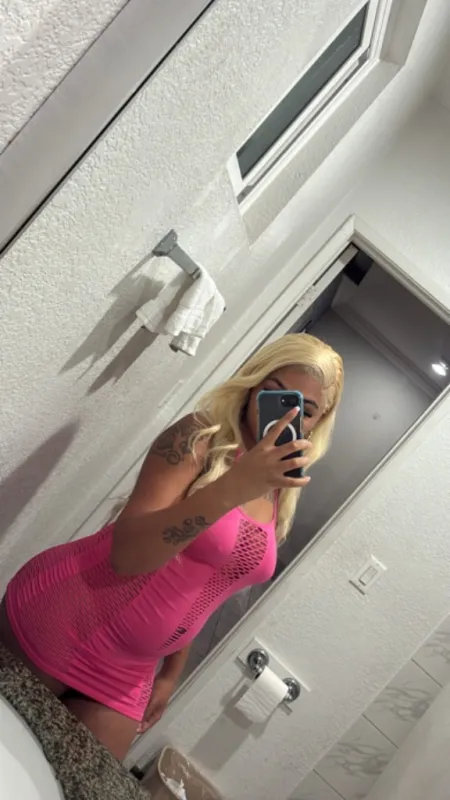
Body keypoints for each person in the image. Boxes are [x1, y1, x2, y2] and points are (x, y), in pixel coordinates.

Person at [0, 333, 343, 760]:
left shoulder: (279, 489)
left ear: (317, 422)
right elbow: (128, 556)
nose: (287, 414)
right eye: (276, 393)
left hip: (131, 672)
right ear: (253, 383)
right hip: (66, 618)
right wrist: (236, 486)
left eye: (305, 411)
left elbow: (205, 584)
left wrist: (170, 672)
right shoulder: (199, 437)